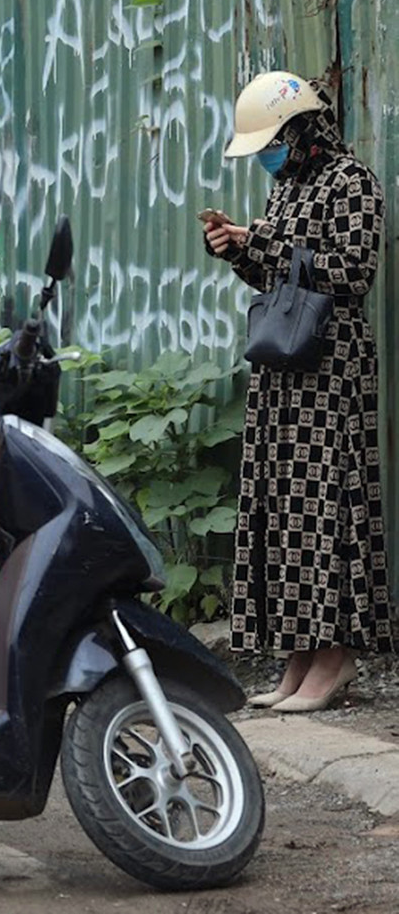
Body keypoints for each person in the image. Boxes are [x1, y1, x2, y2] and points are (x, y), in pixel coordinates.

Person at [204, 70, 392, 712]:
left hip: (332, 366)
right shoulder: (290, 189)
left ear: (301, 129)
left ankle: (334, 658)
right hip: (283, 369)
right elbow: (279, 273)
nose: (267, 158)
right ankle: (297, 657)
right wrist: (236, 249)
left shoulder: (352, 182)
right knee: (281, 505)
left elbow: (351, 272)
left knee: (325, 503)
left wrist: (269, 241)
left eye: (272, 143)